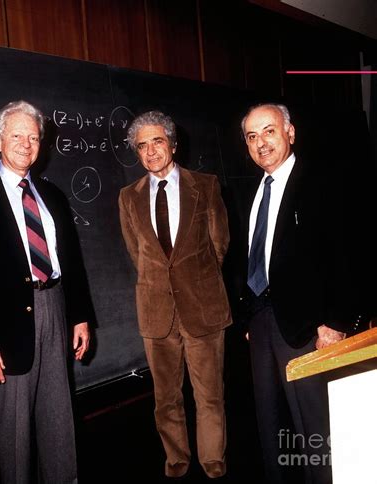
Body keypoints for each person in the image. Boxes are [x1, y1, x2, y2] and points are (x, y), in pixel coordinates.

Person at [0, 100, 92, 484]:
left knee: (59, 416)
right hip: (7, 324)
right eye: (17, 135)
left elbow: (72, 262)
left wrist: (80, 316)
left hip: (56, 307)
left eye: (33, 137)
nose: (26, 143)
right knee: (15, 430)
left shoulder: (52, 195)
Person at [235, 103, 355, 484]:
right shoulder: (251, 189)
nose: (261, 142)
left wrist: (335, 322)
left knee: (313, 430)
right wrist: (251, 315)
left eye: (268, 131)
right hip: (262, 322)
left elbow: (347, 255)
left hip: (307, 326)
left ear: (290, 132)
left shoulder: (321, 181)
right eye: (252, 136)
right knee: (270, 428)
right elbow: (254, 257)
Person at [118, 111, 232, 480]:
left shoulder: (207, 185)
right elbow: (138, 254)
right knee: (165, 399)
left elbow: (219, 244)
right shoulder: (127, 197)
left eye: (157, 142)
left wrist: (195, 280)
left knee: (209, 395)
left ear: (173, 143)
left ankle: (213, 462)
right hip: (156, 312)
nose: (150, 152)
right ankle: (176, 461)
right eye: (142, 146)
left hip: (204, 307)